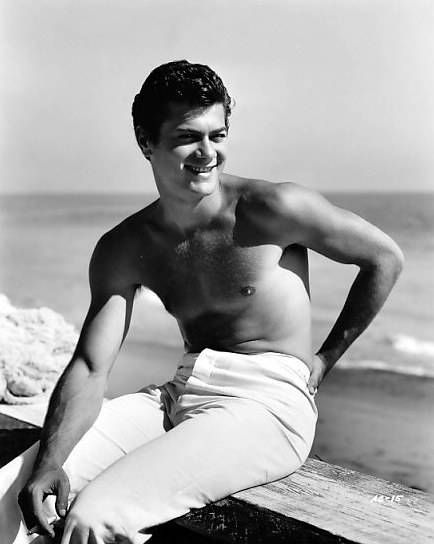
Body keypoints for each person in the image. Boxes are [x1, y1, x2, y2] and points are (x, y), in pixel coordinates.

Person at [1, 60, 403, 544]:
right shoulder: (126, 246)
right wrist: (50, 462)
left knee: (97, 515)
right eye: (189, 136)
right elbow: (90, 366)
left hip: (268, 404)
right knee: (10, 494)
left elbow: (384, 258)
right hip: (183, 390)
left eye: (219, 134)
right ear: (146, 141)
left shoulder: (272, 208)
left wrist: (322, 362)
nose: (208, 153)